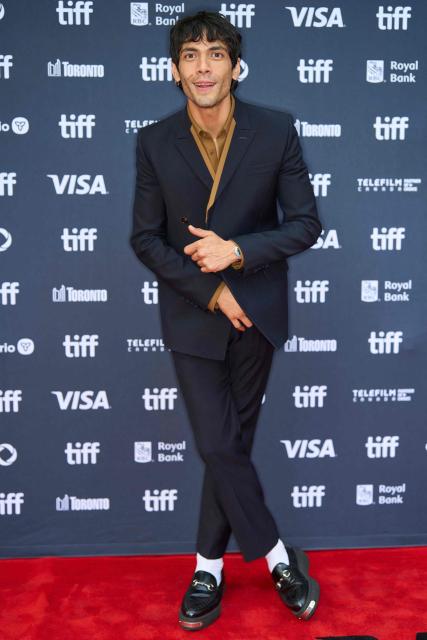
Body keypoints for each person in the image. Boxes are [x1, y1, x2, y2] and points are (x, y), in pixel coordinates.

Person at [130, 10, 322, 631]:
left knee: (229, 449)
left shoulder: (276, 131)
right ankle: (275, 558)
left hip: (257, 318)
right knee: (217, 443)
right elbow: (146, 240)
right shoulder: (155, 141)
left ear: (234, 66)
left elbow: (304, 224)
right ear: (174, 70)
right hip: (194, 316)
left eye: (215, 53)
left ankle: (206, 570)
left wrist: (237, 252)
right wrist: (213, 291)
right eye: (190, 55)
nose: (203, 65)